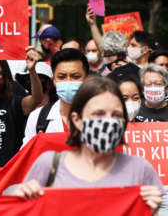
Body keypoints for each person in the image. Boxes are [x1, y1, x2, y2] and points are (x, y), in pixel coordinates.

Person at [9, 76, 163, 215]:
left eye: (116, 115)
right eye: (99, 114)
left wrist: (153, 209)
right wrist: (24, 198)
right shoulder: (49, 165)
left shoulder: (140, 169)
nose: (108, 121)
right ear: (77, 120)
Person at [22, 49, 89, 146]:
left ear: (86, 79)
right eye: (62, 77)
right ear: (54, 80)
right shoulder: (37, 117)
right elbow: (27, 157)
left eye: (75, 76)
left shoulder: (101, 117)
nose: (68, 82)